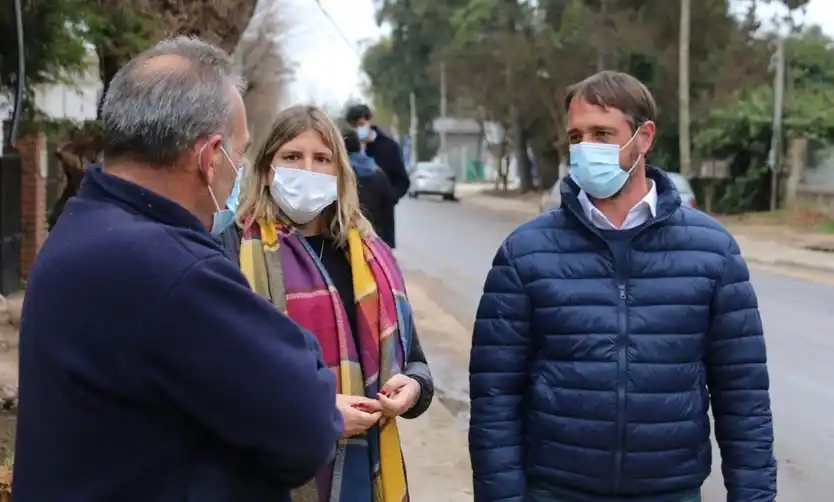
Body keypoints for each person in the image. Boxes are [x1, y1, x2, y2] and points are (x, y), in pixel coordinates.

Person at [13, 37, 343, 502]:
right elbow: (309, 424)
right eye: (240, 154)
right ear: (210, 158)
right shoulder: (175, 272)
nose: (239, 171)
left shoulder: (82, 226)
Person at [469, 71, 776, 502]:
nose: (586, 148)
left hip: (670, 491)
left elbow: (743, 396)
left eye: (602, 133)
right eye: (576, 137)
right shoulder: (525, 252)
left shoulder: (713, 252)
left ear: (644, 137)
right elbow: (494, 399)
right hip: (555, 490)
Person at [233, 104, 434, 502]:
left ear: (339, 173)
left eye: (321, 158)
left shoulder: (372, 259)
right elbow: (219, 380)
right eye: (292, 157)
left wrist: (412, 388)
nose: (308, 170)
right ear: (266, 169)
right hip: (267, 476)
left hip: (363, 478)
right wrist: (315, 414)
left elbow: (416, 363)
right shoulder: (233, 251)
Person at [344, 104, 409, 248]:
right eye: (353, 125)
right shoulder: (345, 148)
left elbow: (402, 182)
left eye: (361, 124)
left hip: (380, 222)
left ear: (369, 121)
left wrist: (387, 198)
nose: (357, 129)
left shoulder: (388, 147)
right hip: (353, 222)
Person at [343, 129, 395, 241]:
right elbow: (387, 212)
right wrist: (389, 243)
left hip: (348, 238)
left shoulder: (341, 174)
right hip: (375, 238)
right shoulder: (378, 173)